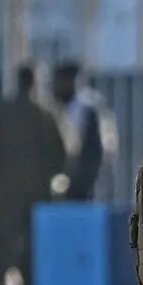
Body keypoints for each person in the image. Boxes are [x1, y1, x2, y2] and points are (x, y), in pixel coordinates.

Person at [0, 63, 68, 285]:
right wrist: (52, 177)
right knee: (35, 244)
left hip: (8, 189)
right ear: (34, 82)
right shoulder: (45, 113)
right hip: (39, 190)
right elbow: (62, 152)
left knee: (2, 242)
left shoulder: (2, 111)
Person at [52, 60, 118, 203]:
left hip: (86, 184)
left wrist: (86, 179)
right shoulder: (59, 107)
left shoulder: (89, 109)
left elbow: (101, 149)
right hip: (65, 183)